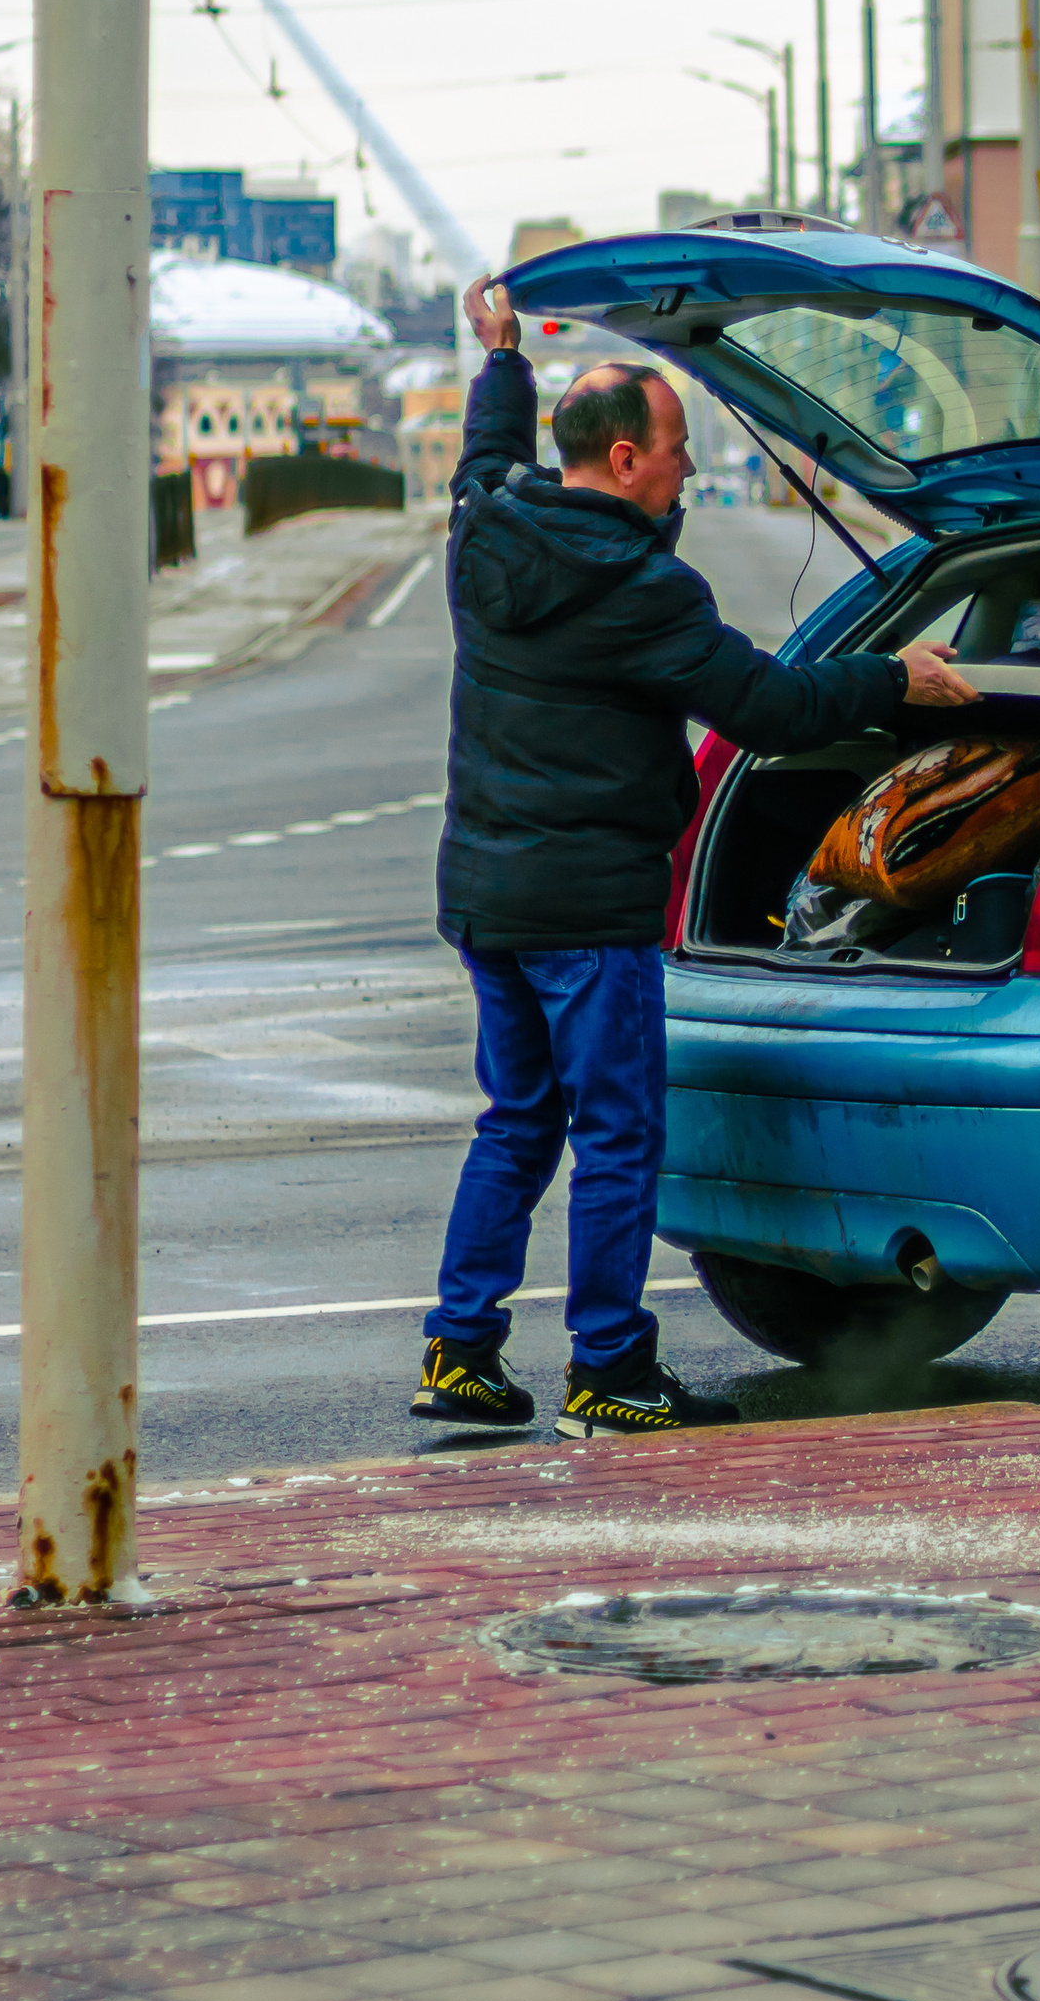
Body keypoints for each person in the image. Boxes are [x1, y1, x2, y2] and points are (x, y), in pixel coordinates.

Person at [415, 274, 978, 1439]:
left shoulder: (485, 533)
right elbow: (767, 707)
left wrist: (503, 358)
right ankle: (610, 1369)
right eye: (673, 448)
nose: (684, 467)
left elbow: (483, 457)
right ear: (622, 461)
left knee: (517, 1123)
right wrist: (896, 679)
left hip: (485, 897)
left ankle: (460, 1352)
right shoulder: (643, 588)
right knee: (616, 1134)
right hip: (587, 909)